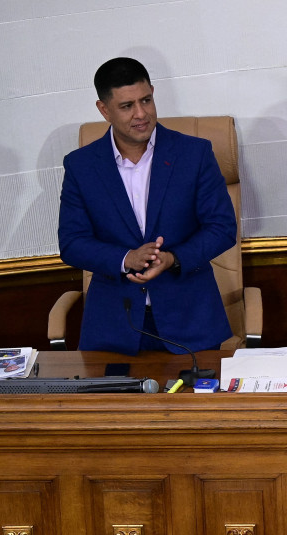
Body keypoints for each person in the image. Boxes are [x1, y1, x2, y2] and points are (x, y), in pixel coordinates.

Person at [59, 57, 237, 354]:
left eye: (147, 100)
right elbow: (72, 243)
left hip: (190, 322)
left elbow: (221, 228)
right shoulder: (81, 166)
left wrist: (172, 258)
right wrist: (126, 257)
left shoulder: (194, 154)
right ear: (104, 109)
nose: (141, 114)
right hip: (115, 327)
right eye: (127, 106)